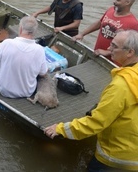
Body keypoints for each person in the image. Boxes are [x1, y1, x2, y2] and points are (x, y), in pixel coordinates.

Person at [44, 29, 138, 171]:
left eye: (114, 46)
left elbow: (97, 122)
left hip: (116, 157)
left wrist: (61, 129)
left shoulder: (121, 86)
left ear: (130, 52)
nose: (108, 48)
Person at [72, 0, 138, 62]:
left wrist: (107, 52)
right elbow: (100, 23)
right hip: (97, 53)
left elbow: (132, 49)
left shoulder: (133, 23)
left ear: (127, 2)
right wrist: (82, 34)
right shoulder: (110, 10)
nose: (114, 2)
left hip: (113, 62)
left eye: (118, 0)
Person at [0, 16, 48, 98]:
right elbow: (43, 73)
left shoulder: (6, 43)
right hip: (27, 92)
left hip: (3, 90)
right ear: (34, 32)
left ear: (20, 29)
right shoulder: (39, 50)